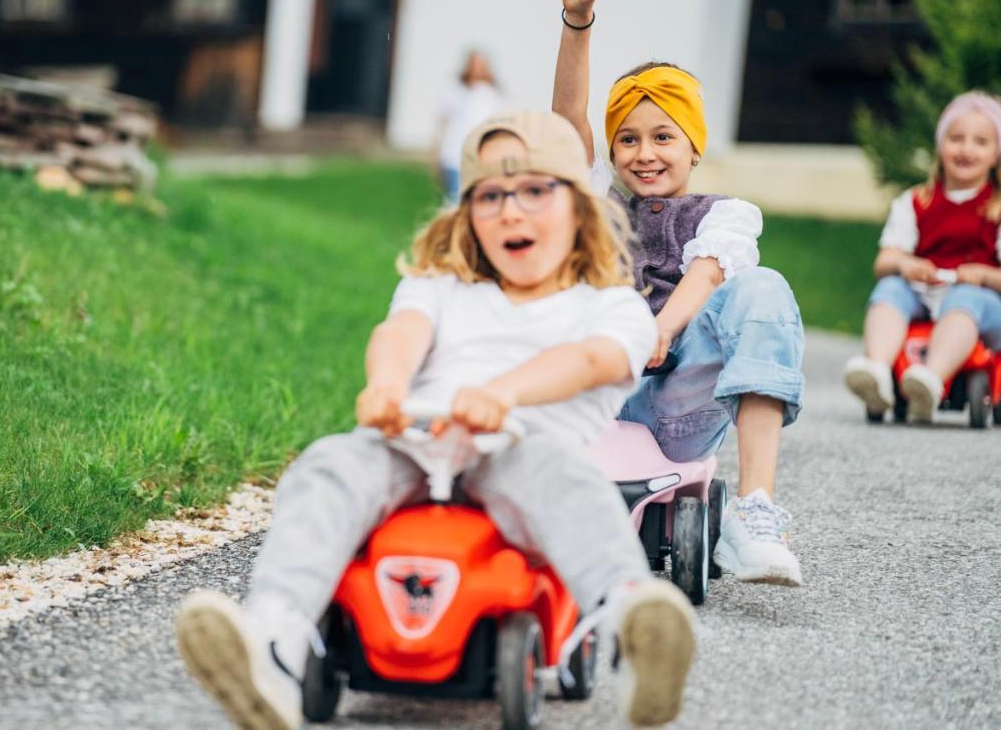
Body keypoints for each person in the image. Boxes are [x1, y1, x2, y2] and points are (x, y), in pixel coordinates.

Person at [175, 110, 696, 729]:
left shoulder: (610, 307)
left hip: (522, 452)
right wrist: (387, 387)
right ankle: (274, 643)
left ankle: (630, 622)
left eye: (535, 191)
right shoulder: (443, 286)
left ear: (580, 210)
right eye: (491, 196)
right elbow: (402, 331)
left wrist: (502, 394)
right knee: (329, 465)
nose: (511, 211)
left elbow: (591, 360)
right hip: (414, 443)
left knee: (568, 483)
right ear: (468, 214)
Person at [547, 0, 806, 586]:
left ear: (693, 147)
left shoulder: (725, 215)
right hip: (601, 396)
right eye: (627, 139)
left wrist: (661, 329)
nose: (644, 152)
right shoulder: (597, 205)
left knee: (764, 286)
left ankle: (753, 511)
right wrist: (578, 23)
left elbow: (711, 267)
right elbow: (565, 124)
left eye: (664, 136)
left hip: (678, 404)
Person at [844, 91, 1001, 423]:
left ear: (996, 154)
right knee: (890, 289)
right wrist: (905, 264)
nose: (966, 149)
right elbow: (884, 261)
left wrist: (985, 275)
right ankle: (878, 370)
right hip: (926, 290)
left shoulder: (996, 208)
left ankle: (931, 377)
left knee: (965, 298)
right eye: (956, 138)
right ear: (941, 145)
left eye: (980, 142)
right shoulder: (917, 201)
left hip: (981, 302)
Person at [434, 50, 506, 202]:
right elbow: (442, 123)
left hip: (480, 157)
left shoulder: (492, 94)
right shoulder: (454, 90)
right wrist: (436, 153)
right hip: (454, 156)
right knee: (454, 202)